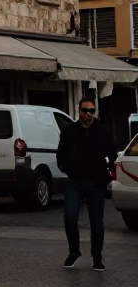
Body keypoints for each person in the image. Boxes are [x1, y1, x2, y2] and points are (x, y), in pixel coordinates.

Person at [56, 96, 116, 271]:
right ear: (79, 111)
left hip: (96, 183)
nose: (88, 114)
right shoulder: (69, 132)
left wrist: (107, 172)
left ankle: (97, 257)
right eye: (85, 110)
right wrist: (67, 169)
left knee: (96, 222)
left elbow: (112, 154)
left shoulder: (103, 131)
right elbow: (61, 155)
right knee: (70, 217)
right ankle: (74, 251)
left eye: (91, 111)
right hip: (75, 182)